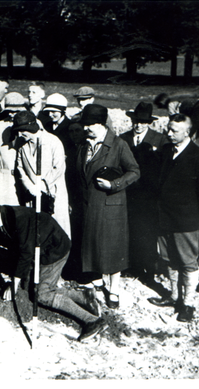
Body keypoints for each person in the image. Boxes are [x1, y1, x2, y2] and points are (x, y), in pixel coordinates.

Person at [0, 193, 107, 342]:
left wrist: (13, 285)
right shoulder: (0, 218)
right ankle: (84, 297)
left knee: (42, 295)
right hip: (38, 250)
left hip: (53, 249)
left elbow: (25, 255)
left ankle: (92, 321)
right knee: (29, 287)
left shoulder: (18, 218)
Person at [148, 114, 199, 323]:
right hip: (164, 216)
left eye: (174, 130)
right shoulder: (167, 151)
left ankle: (188, 304)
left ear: (187, 132)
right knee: (168, 258)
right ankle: (174, 296)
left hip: (185, 220)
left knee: (187, 262)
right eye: (168, 128)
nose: (168, 133)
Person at [75, 104, 140, 309]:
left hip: (110, 205)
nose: (86, 128)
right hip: (89, 204)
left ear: (101, 123)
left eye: (90, 124)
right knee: (92, 244)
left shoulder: (118, 144)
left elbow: (134, 171)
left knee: (113, 249)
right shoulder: (84, 144)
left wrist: (114, 184)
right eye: (84, 124)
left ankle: (114, 290)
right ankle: (95, 281)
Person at [119, 102, 167, 282]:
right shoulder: (123, 139)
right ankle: (131, 265)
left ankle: (149, 268)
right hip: (129, 192)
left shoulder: (160, 140)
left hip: (149, 195)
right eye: (136, 121)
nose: (139, 125)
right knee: (129, 228)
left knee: (147, 230)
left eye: (143, 122)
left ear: (150, 123)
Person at [12, 111, 70, 237]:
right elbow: (20, 168)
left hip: (52, 194)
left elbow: (58, 168)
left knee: (55, 231)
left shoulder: (53, 142)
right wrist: (30, 187)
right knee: (36, 231)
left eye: (22, 130)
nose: (19, 134)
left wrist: (41, 186)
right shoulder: (22, 145)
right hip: (32, 194)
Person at [0, 92, 27, 206]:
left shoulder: (29, 126)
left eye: (16, 112)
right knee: (4, 209)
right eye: (9, 111)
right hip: (3, 175)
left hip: (22, 176)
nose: (12, 114)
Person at [43, 93, 74, 158]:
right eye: (48, 111)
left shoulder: (70, 127)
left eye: (53, 112)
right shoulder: (46, 125)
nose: (50, 114)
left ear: (63, 111)